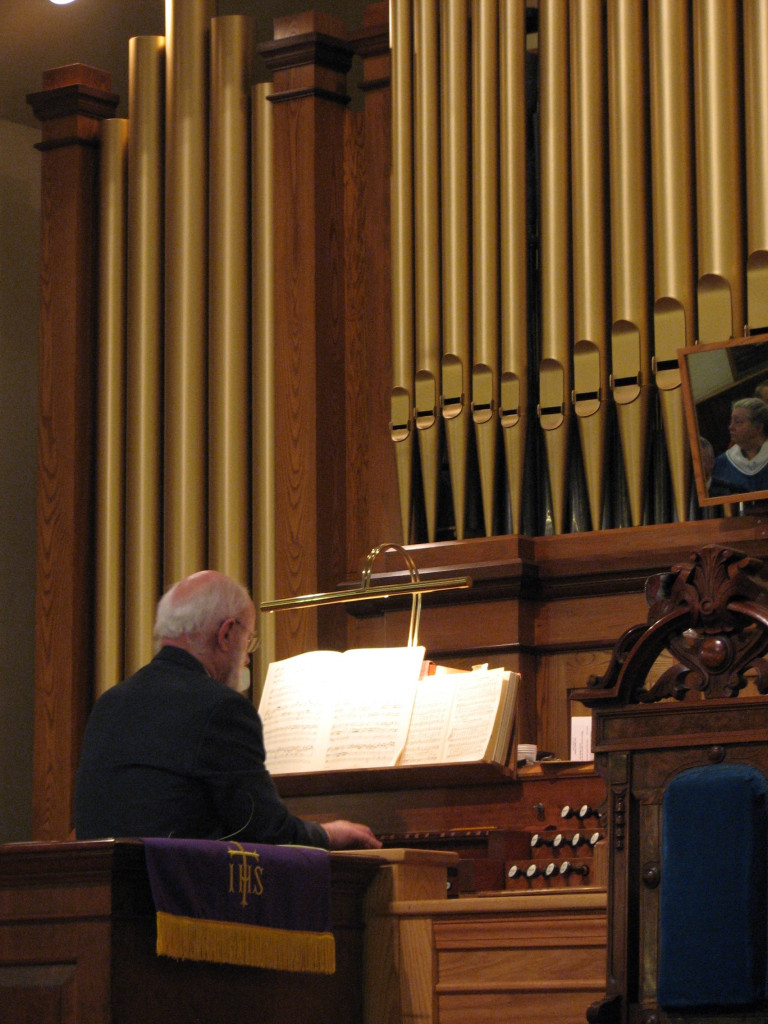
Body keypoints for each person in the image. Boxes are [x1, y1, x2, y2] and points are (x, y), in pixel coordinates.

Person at [74, 569, 382, 850]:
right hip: (176, 899)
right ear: (226, 634)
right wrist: (329, 834)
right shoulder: (221, 707)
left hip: (102, 896)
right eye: (248, 640)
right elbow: (268, 831)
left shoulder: (109, 702)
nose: (247, 658)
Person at [710, 397, 768, 495]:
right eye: (731, 421)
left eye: (738, 422)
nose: (731, 427)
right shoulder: (721, 464)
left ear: (758, 427)